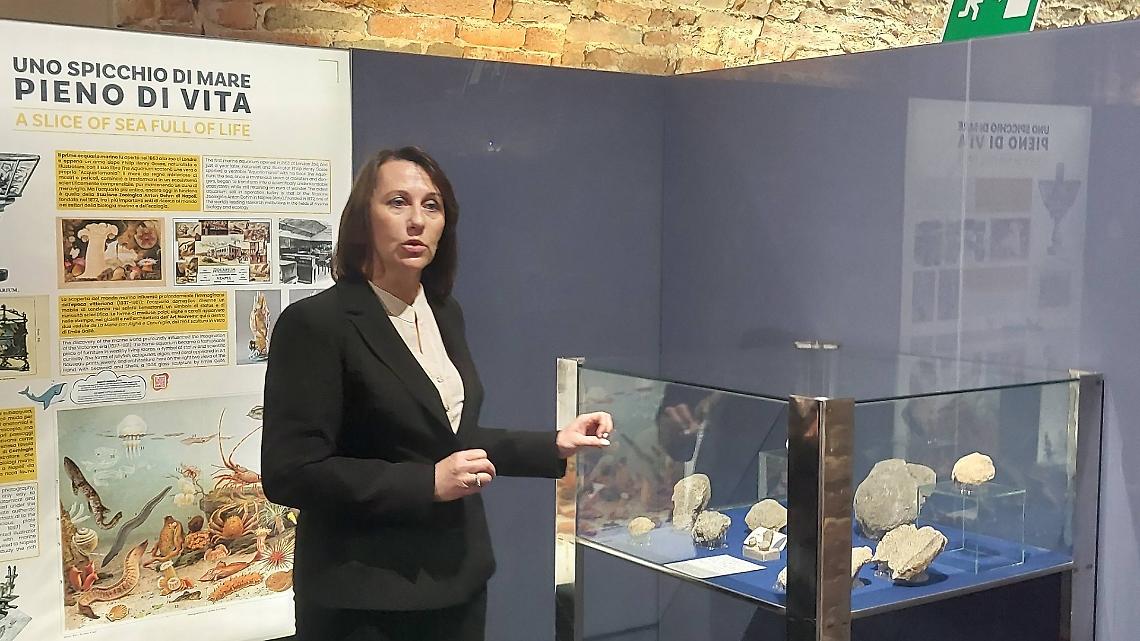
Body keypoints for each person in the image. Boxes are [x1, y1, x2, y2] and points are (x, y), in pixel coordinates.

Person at [262, 146, 613, 641]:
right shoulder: (316, 324)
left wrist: (554, 443)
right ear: (363, 216)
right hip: (364, 598)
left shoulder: (444, 312)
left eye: (432, 206)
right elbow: (291, 472)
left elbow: (449, 439)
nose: (416, 221)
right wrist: (425, 483)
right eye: (397, 202)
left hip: (458, 581)